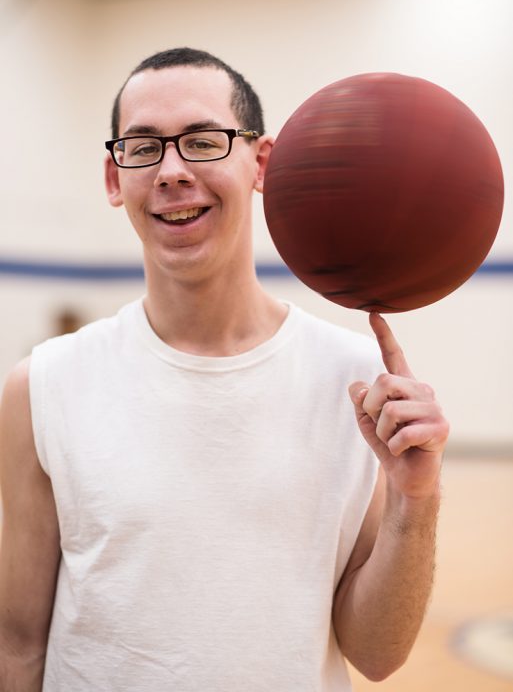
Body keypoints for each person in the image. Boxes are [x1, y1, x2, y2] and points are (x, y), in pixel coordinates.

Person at [0, 48, 449, 691]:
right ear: (113, 175)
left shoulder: (353, 380)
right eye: (144, 146)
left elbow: (376, 654)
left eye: (203, 141)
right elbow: (16, 645)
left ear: (261, 162)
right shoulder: (42, 385)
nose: (173, 171)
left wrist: (416, 498)